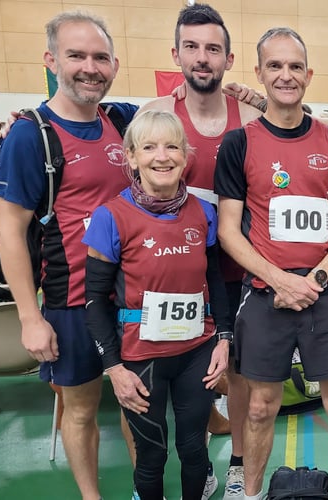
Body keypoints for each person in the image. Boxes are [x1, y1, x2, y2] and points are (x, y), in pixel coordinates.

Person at [214, 27, 328, 500]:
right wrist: (280, 279)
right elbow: (227, 229)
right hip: (266, 294)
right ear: (259, 73)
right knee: (260, 407)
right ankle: (253, 494)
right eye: (275, 66)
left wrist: (315, 280)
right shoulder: (239, 144)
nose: (286, 75)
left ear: (309, 75)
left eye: (295, 66)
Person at [0, 11, 137, 500]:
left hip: (131, 298)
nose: (89, 67)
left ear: (115, 64)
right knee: (80, 408)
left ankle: (145, 490)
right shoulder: (29, 135)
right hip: (71, 300)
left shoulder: (123, 120)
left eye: (100, 57)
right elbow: (11, 231)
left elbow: (185, 106)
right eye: (76, 55)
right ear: (51, 60)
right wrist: (30, 318)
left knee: (136, 405)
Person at [137, 5, 262, 498]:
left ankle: (238, 461)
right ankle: (201, 460)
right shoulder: (156, 117)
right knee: (194, 379)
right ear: (176, 54)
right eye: (192, 47)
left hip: (240, 273)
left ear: (228, 59)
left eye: (213, 49)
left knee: (239, 375)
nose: (202, 58)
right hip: (181, 281)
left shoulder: (251, 117)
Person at [83, 109, 231, 500]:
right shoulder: (110, 217)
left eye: (171, 146)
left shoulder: (204, 213)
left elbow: (215, 280)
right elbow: (95, 301)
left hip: (197, 354)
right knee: (152, 456)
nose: (161, 156)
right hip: (139, 359)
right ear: (131, 157)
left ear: (185, 155)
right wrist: (113, 368)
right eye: (149, 147)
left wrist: (224, 338)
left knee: (195, 449)